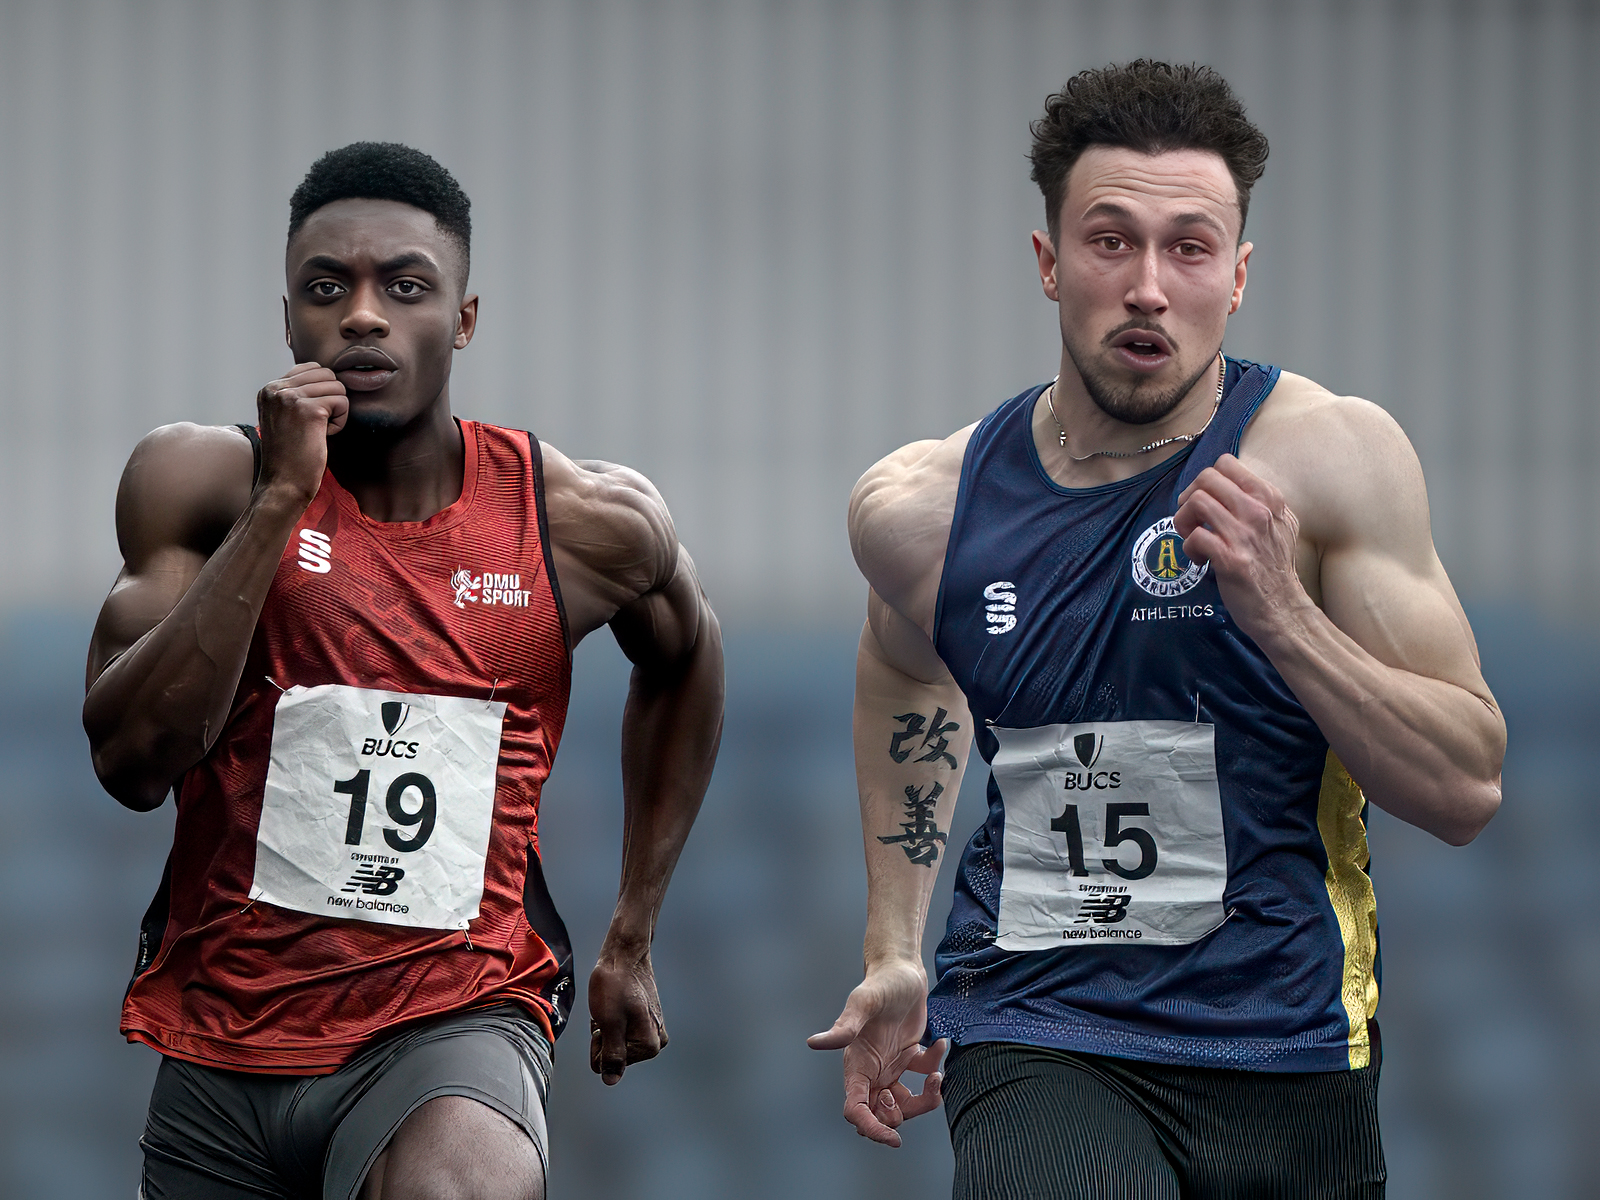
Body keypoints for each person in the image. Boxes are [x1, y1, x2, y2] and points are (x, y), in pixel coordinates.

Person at [809, 61, 1505, 1198]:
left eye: (1188, 248)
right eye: (1110, 242)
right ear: (1049, 263)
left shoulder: (1332, 461)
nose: (1147, 287)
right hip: (1038, 1024)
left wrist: (1281, 613)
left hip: (1287, 1041)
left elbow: (1465, 787)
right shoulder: (924, 509)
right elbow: (903, 670)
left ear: (1237, 276)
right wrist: (894, 946)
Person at [84, 142, 724, 1200]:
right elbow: (132, 763)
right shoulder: (201, 484)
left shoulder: (578, 522)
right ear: (288, 319)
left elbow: (688, 653)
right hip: (225, 1038)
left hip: (457, 1018)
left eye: (406, 288)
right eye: (326, 289)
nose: (363, 317)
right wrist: (280, 504)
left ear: (463, 320)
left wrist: (633, 928)